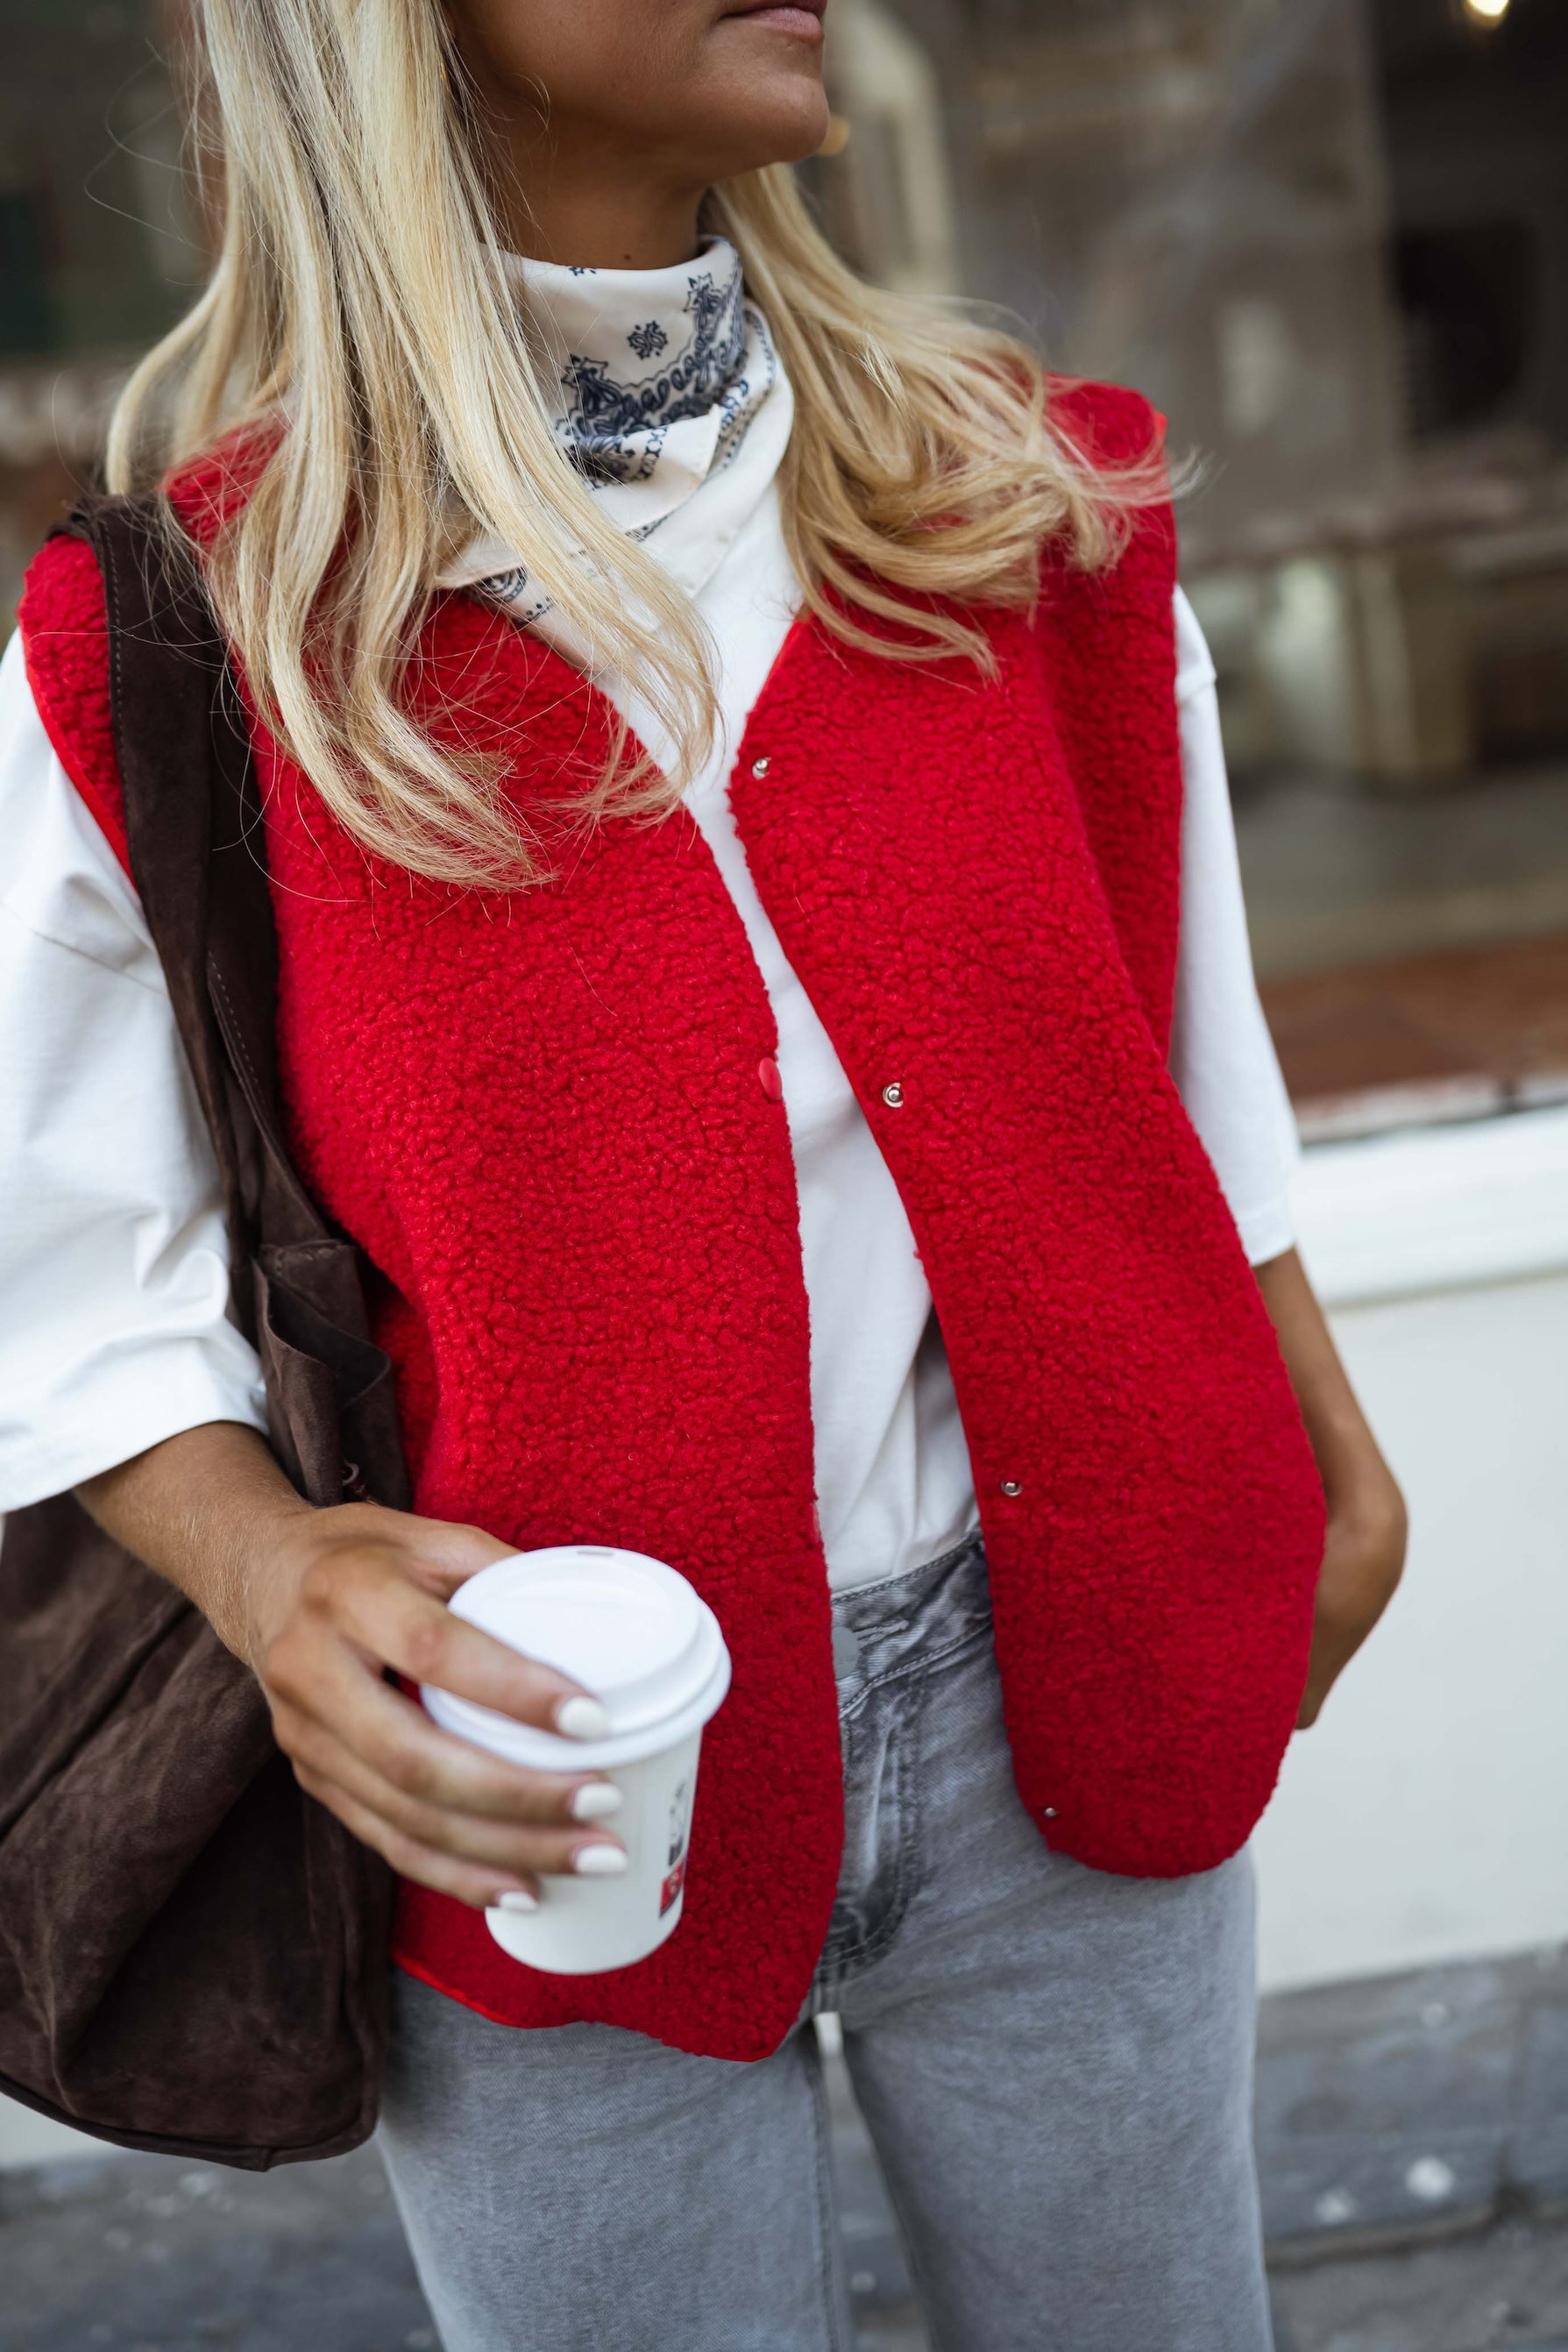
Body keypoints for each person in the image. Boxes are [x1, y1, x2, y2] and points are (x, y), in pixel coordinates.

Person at [0, 3, 1407, 2346]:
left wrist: (1320, 1435)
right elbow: (62, 1272)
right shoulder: (199, 635)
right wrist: (266, 1573)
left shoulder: (1017, 501)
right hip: (539, 1771)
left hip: (1064, 1682)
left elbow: (1175, 1053)